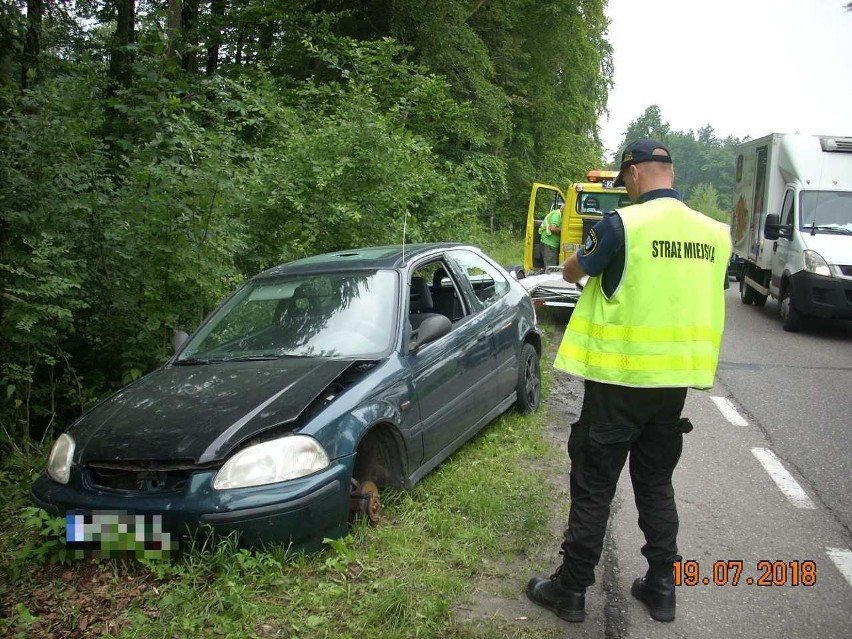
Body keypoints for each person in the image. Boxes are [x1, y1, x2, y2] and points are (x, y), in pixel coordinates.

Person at [526, 139, 731, 623]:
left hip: (619, 382)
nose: (626, 191)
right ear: (670, 172)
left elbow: (575, 269)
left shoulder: (623, 225)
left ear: (634, 174)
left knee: (595, 484)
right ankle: (662, 587)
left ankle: (571, 591)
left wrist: (573, 260)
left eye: (625, 183)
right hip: (673, 384)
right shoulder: (714, 233)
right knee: (656, 482)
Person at [538, 204, 562, 268]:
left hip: (549, 243)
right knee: (550, 268)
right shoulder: (557, 215)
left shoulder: (557, 214)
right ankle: (549, 278)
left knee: (550, 266)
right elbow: (553, 228)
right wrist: (562, 231)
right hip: (549, 243)